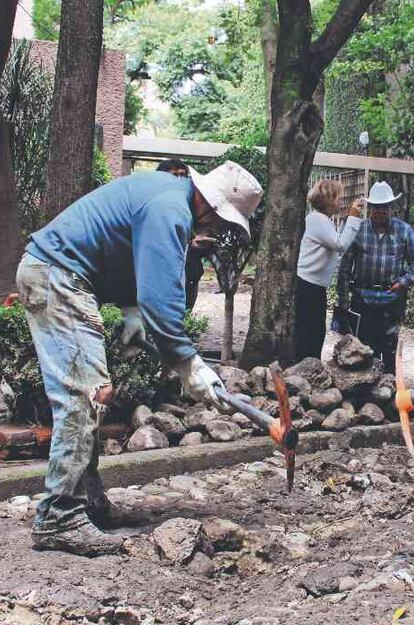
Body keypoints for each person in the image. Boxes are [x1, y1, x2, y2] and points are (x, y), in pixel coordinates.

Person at [16, 160, 262, 556]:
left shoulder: (167, 195)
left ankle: (87, 504)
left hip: (63, 276)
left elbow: (129, 255)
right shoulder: (171, 208)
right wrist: (188, 362)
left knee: (93, 394)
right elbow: (161, 300)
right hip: (57, 277)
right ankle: (59, 518)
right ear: (211, 205)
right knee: (85, 396)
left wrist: (131, 309)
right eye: (223, 223)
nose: (220, 232)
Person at [337, 181, 414, 373]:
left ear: (391, 208)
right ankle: (365, 392)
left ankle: (389, 389)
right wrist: (343, 299)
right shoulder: (358, 230)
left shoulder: (404, 230)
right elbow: (344, 266)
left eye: (384, 207)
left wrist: (404, 282)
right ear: (370, 209)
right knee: (362, 348)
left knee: (389, 348)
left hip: (392, 298)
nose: (380, 212)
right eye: (377, 208)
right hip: (362, 297)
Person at [295, 180, 364, 360]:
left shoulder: (321, 220)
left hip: (313, 285)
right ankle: (305, 369)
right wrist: (354, 218)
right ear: (328, 199)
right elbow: (340, 244)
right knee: (311, 333)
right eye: (338, 198)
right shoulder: (317, 219)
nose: (340, 202)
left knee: (314, 332)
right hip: (308, 286)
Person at [156, 159, 205, 313]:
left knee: (186, 308)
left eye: (182, 175)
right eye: (174, 175)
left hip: (190, 264)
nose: (179, 179)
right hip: (162, 262)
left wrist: (198, 241)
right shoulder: (155, 200)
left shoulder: (195, 200)